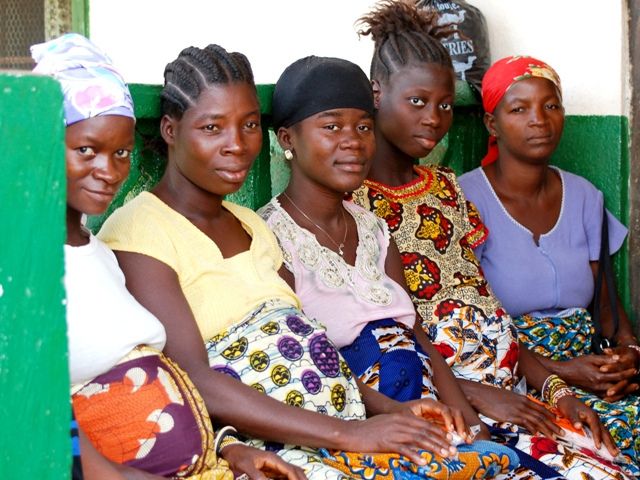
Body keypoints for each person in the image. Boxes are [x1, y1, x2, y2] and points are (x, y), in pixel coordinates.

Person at [97, 43, 520, 480]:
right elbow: (195, 380)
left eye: (247, 126)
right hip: (285, 442)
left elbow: (313, 345)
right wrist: (348, 434)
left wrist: (392, 412)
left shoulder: (248, 225)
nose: (237, 146)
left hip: (338, 419)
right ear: (170, 130)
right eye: (212, 128)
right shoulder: (140, 230)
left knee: (488, 462)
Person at [348, 2, 632, 478]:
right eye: (417, 102)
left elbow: (487, 308)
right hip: (444, 395)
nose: (435, 119)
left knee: (611, 462)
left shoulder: (443, 187)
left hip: (515, 378)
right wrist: (472, 395)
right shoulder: (354, 203)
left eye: (443, 105)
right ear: (377, 93)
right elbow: (382, 335)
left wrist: (556, 390)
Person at [34, 33, 303, 480]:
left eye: (120, 152)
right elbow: (44, 421)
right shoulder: (25, 269)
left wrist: (227, 447)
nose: (108, 170)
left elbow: (160, 378)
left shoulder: (96, 253)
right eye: (86, 150)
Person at [258, 53, 528, 478]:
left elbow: (415, 333)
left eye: (363, 127)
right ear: (287, 138)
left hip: (425, 409)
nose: (353, 141)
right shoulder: (269, 238)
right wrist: (394, 418)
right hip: (361, 423)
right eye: (331, 126)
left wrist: (470, 424)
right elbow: (306, 364)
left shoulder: (374, 229)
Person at [458, 54, 640, 473]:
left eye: (550, 105)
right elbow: (469, 328)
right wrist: (565, 374)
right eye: (518, 109)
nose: (539, 119)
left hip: (590, 371)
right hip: (515, 379)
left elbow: (610, 315)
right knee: (604, 438)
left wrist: (627, 356)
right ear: (492, 124)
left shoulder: (585, 198)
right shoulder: (463, 201)